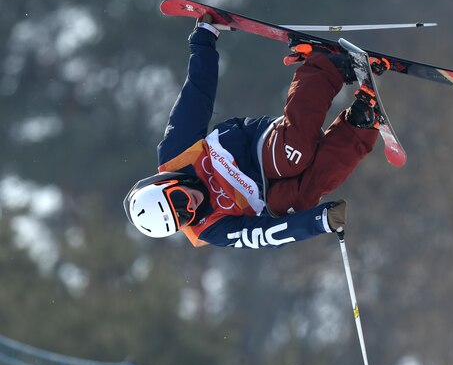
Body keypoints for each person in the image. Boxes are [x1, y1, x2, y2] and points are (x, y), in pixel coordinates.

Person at [123, 14, 382, 249]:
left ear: (167, 182)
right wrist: (320, 221)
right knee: (297, 202)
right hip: (266, 194)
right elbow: (265, 234)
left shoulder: (176, 154)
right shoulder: (210, 229)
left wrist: (203, 39)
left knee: (291, 157)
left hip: (252, 147)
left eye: (178, 199)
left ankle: (323, 65)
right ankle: (360, 122)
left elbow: (197, 96)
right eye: (183, 216)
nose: (190, 204)